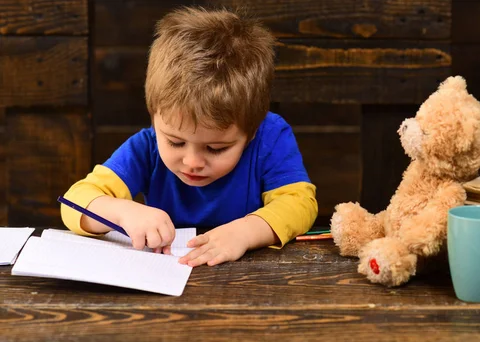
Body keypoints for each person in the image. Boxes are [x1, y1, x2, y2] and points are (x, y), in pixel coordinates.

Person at [60, 6, 318, 267]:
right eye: (175, 142)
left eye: (216, 148)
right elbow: (73, 203)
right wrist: (122, 212)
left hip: (249, 284)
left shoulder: (269, 136)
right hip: (166, 280)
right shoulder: (145, 147)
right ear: (154, 117)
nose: (192, 161)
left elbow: (300, 205)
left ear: (251, 132)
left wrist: (246, 232)